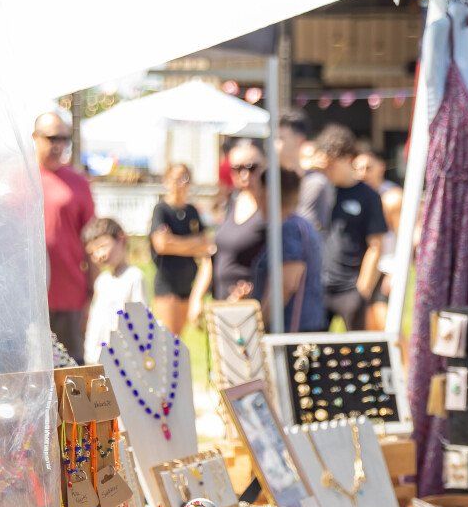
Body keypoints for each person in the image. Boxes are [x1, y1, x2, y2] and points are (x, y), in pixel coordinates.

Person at [210, 147, 325, 331]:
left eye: (260, 194)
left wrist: (258, 325)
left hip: (291, 332)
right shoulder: (297, 225)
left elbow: (285, 286)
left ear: (269, 195)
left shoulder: (288, 228)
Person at [303, 124, 388, 331]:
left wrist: (363, 290)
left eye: (332, 165)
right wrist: (311, 166)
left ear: (347, 159)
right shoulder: (320, 190)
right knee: (313, 345)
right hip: (319, 285)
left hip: (350, 287)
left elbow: (376, 245)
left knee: (357, 347)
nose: (328, 170)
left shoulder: (368, 195)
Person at [36, 110, 96, 361]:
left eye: (64, 139)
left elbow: (92, 240)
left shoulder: (78, 183)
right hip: (30, 300)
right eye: (52, 138)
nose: (58, 145)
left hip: (69, 295)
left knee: (71, 371)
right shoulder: (19, 178)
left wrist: (92, 293)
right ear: (35, 137)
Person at [148, 162, 209, 335]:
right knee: (168, 336)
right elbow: (162, 245)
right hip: (168, 284)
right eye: (175, 178)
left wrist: (175, 243)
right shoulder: (161, 210)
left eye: (184, 178)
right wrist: (192, 244)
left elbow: (205, 243)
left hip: (187, 283)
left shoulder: (191, 211)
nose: (180, 183)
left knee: (179, 338)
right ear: (167, 180)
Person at [81, 215, 146, 364]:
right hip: (96, 360)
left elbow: (140, 322)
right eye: (92, 252)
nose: (99, 255)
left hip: (123, 362)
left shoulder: (134, 277)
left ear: (121, 238)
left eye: (102, 246)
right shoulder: (102, 281)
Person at [353, 146, 402, 330]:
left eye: (368, 168)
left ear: (381, 167)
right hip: (364, 268)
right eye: (357, 168)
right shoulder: (356, 196)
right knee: (367, 326)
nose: (362, 173)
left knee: (387, 325)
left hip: (386, 268)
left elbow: (404, 237)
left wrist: (396, 272)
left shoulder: (392, 197)